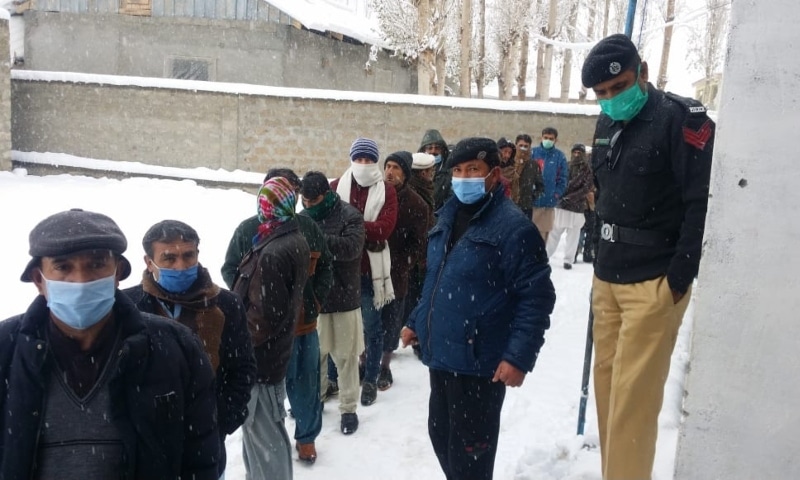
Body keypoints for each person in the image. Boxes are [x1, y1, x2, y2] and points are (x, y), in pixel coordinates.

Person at [581, 33, 715, 480]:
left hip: (653, 281)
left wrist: (678, 278)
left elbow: (701, 203)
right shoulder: (606, 124)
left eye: (618, 87)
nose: (610, 99)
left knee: (633, 405)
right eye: (601, 94)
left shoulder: (681, 119)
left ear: (642, 71)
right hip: (607, 281)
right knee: (608, 398)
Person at [0, 209, 220, 479]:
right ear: (38, 279)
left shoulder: (176, 347)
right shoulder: (6, 351)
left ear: (118, 273)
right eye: (63, 266)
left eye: (96, 264)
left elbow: (201, 459)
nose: (81, 280)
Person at [401, 138, 556, 480]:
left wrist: (518, 357)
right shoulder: (446, 218)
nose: (464, 177)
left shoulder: (513, 229)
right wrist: (416, 320)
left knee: (470, 458)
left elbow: (537, 297)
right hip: (441, 356)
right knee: (441, 436)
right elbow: (436, 278)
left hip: (479, 364)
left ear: (494, 174)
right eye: (457, 170)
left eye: (473, 169)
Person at [123, 219, 256, 477]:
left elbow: (242, 368)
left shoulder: (225, 305)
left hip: (206, 439)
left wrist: (222, 418)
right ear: (149, 262)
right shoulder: (128, 307)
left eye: (188, 256)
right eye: (169, 258)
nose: (181, 266)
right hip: (143, 443)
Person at [221, 168, 333, 464]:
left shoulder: (306, 228)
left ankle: (306, 437)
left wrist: (314, 301)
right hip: (261, 332)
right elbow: (231, 268)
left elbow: (325, 268)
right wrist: (245, 307)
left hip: (303, 325)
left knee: (305, 383)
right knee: (266, 399)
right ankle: (266, 445)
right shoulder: (248, 230)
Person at [232, 177, 310, 480]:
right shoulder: (281, 237)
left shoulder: (276, 250)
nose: (262, 209)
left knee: (265, 437)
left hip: (261, 362)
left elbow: (265, 316)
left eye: (267, 203)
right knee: (257, 435)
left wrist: (236, 347)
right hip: (268, 357)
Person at [332, 138, 398, 407]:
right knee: (337, 328)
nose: (362, 164)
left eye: (368, 160)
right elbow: (328, 226)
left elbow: (385, 228)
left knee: (372, 328)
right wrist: (363, 228)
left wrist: (350, 226)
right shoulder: (336, 187)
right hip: (339, 272)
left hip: (370, 272)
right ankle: (334, 378)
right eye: (358, 159)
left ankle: (370, 378)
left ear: (375, 161)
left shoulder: (387, 191)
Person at [300, 171, 366, 435]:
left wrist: (315, 242)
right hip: (314, 300)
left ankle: (349, 408)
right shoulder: (303, 218)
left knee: (347, 358)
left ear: (325, 195)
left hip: (344, 299)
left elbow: (352, 248)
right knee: (315, 357)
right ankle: (316, 398)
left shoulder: (350, 215)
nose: (307, 206)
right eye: (304, 201)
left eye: (312, 200)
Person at [379, 151, 429, 390]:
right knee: (368, 320)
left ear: (406, 173)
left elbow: (419, 245)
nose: (390, 171)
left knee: (391, 322)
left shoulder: (416, 204)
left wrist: (400, 264)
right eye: (387, 166)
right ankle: (364, 362)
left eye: (396, 168)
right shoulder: (374, 195)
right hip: (369, 270)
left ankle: (384, 366)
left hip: (397, 274)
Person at [545, 143, 594, 269]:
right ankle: (545, 256)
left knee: (573, 235)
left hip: (577, 207)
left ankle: (568, 260)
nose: (577, 155)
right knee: (554, 233)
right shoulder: (566, 165)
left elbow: (586, 188)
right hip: (562, 205)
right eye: (575, 152)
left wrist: (571, 197)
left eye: (579, 153)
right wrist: (562, 195)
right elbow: (559, 181)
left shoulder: (588, 170)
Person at [531, 127, 569, 242]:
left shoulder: (559, 156)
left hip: (548, 203)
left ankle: (540, 259)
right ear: (541, 138)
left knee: (543, 237)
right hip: (532, 202)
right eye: (545, 138)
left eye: (551, 138)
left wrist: (556, 195)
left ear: (555, 140)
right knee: (528, 233)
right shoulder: (533, 153)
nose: (548, 140)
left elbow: (563, 179)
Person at [418, 129, 452, 209]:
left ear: (443, 151)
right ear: (423, 150)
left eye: (437, 148)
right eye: (429, 148)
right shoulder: (415, 171)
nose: (433, 151)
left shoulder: (450, 171)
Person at [515, 133, 546, 217]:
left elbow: (540, 186)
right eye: (520, 145)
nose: (523, 148)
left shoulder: (533, 165)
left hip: (526, 206)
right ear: (516, 145)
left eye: (526, 146)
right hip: (509, 205)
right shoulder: (509, 162)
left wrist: (532, 196)